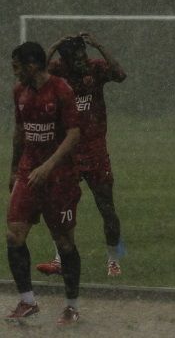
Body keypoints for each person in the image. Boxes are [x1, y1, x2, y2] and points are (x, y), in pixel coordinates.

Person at [35, 32, 127, 278]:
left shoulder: (94, 69)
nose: (82, 60)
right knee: (59, 207)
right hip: (67, 151)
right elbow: (35, 73)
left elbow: (120, 75)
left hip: (95, 150)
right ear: (64, 61)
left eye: (83, 55)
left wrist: (99, 45)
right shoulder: (56, 72)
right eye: (76, 57)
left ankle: (114, 260)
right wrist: (53, 45)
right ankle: (59, 258)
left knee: (106, 207)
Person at [7, 42, 82, 324]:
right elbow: (19, 131)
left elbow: (74, 134)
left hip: (59, 177)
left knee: (64, 243)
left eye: (16, 66)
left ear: (32, 65)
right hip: (29, 173)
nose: (14, 73)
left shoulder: (61, 90)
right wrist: (15, 169)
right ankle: (28, 302)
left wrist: (48, 166)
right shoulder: (19, 92)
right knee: (14, 236)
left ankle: (72, 306)